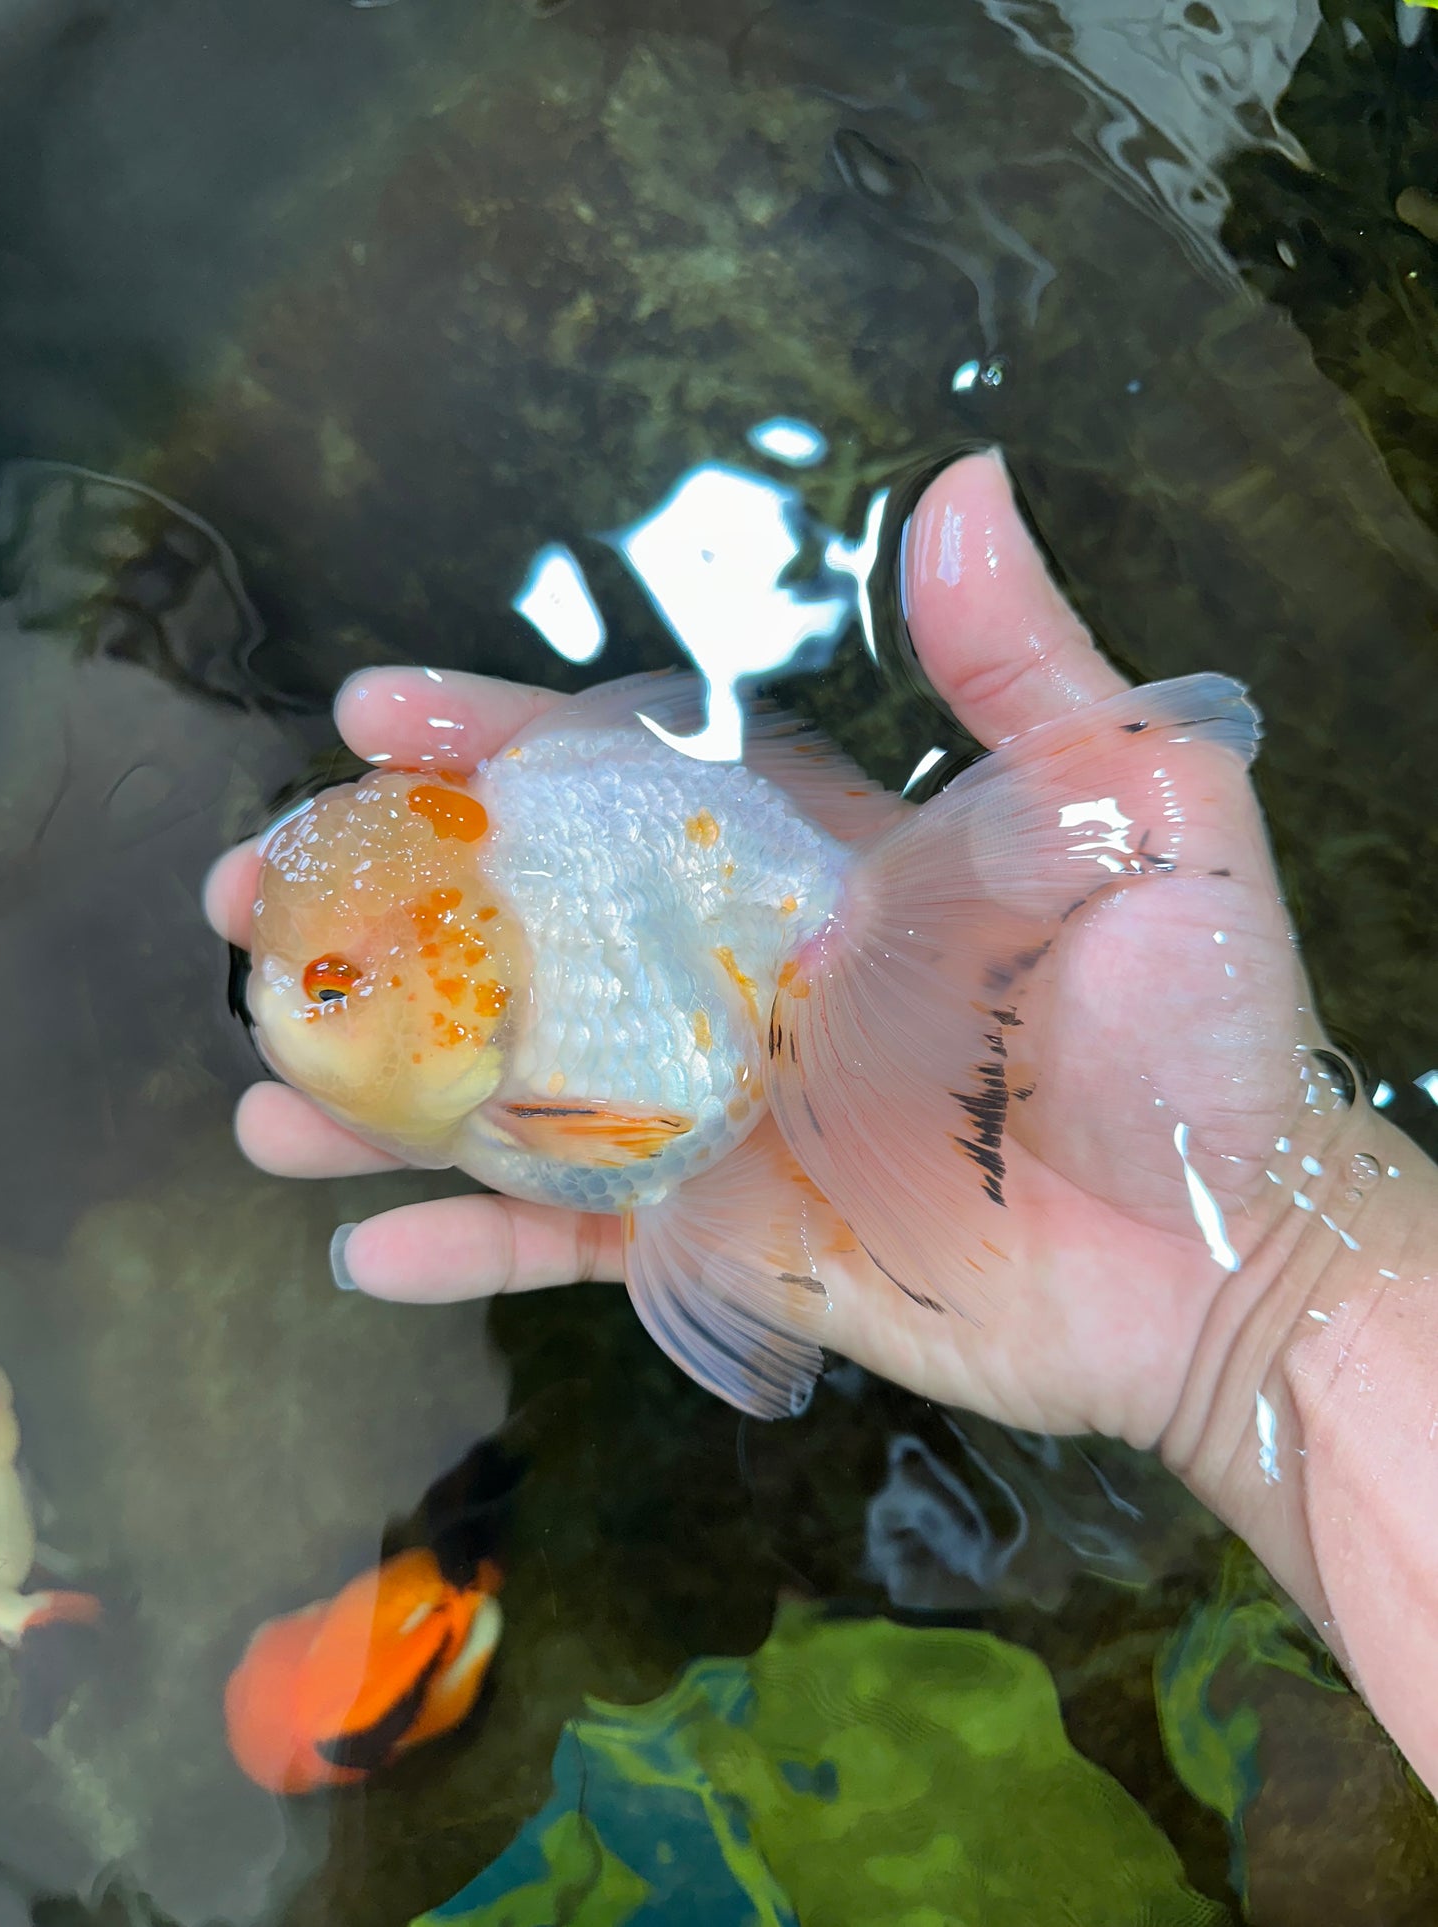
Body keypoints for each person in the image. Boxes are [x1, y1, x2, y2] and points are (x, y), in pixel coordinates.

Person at [204, 450, 1438, 1794]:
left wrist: (1265, 1271)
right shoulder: (484, 982)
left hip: (756, 936)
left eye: (326, 985)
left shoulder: (536, 1047)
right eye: (297, 972)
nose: (281, 1003)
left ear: (453, 986)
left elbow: (643, 1155)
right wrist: (1266, 1271)